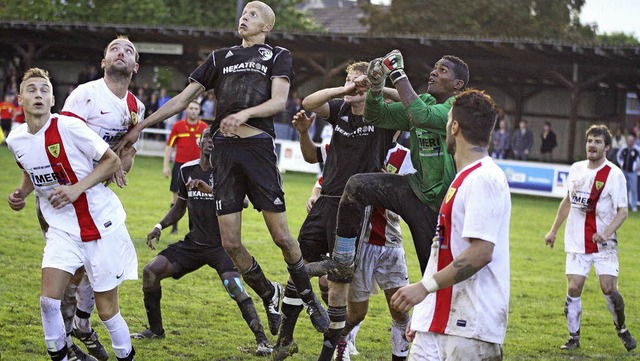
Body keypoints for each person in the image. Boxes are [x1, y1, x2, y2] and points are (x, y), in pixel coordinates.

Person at [116, 0, 329, 339]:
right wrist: (141, 126)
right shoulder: (219, 58)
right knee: (230, 243)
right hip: (225, 154)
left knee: (283, 237)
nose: (245, 17)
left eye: (253, 14)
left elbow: (279, 101)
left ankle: (309, 298)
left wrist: (244, 114)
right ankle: (270, 293)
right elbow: (182, 99)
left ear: (267, 27)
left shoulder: (277, 55)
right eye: (243, 13)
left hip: (257, 148)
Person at [313, 50, 467, 360]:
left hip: (441, 206)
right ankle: (343, 258)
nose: (434, 73)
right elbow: (376, 115)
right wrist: (376, 83)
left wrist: (396, 74)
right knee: (357, 185)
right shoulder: (419, 105)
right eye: (433, 67)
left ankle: (445, 341)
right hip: (415, 190)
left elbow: (423, 116)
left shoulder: (456, 108)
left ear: (458, 85)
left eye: (443, 70)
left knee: (434, 279)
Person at [6, 67, 137, 361]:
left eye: (44, 90)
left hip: (102, 225)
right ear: (20, 99)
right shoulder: (15, 140)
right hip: (62, 230)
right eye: (31, 89)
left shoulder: (68, 127)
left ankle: (126, 356)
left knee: (106, 311)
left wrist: (77, 189)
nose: (38, 94)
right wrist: (21, 194)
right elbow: (31, 171)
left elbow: (111, 160)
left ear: (53, 99)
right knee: (48, 302)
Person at [271, 61, 396, 360]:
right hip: (325, 200)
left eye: (360, 80)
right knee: (296, 265)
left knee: (339, 281)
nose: (355, 84)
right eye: (351, 79)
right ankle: (284, 341)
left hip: (353, 207)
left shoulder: (382, 116)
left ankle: (327, 356)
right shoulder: (340, 110)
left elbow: (406, 100)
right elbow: (310, 105)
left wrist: (374, 86)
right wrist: (306, 130)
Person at [390, 89, 511, 360]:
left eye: (447, 123)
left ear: (454, 126)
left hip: (471, 326)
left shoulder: (484, 178)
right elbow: (445, 250)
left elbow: (480, 253)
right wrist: (425, 313)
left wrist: (423, 288)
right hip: (436, 323)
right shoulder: (462, 178)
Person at [130, 128, 273, 355]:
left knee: (236, 289)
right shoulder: (187, 170)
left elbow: (243, 203)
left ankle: (262, 340)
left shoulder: (229, 171)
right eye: (207, 138)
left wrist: (211, 190)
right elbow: (179, 207)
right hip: (193, 245)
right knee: (150, 272)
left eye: (215, 139)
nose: (211, 142)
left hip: (222, 247)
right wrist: (159, 226)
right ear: (200, 141)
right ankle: (156, 331)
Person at [59, 35, 146, 361]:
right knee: (72, 271)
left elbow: (129, 149)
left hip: (97, 196)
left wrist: (120, 163)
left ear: (135, 67)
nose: (121, 53)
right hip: (68, 194)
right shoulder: (85, 95)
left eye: (128, 51)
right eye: (114, 49)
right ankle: (66, 341)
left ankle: (81, 325)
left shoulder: (136, 107)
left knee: (99, 269)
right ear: (103, 62)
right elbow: (62, 141)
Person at [545, 124, 636, 351]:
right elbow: (567, 200)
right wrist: (553, 230)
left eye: (597, 142)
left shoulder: (614, 175)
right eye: (589, 141)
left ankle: (622, 329)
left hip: (604, 245)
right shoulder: (576, 169)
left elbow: (623, 211)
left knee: (608, 288)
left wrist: (605, 233)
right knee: (574, 288)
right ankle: (573, 338)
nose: (592, 145)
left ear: (606, 147)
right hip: (577, 240)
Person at [163, 101, 208, 234]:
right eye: (191, 108)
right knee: (177, 197)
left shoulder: (204, 128)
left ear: (199, 111)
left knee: (199, 198)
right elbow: (169, 146)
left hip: (198, 167)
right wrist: (166, 165)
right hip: (180, 166)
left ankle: (197, 230)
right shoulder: (178, 126)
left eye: (196, 108)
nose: (193, 111)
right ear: (186, 110)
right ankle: (174, 227)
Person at [616, 134, 640, 212]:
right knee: (625, 189)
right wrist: (621, 164)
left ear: (634, 141)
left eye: (632, 141)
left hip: (633, 172)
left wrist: (637, 166)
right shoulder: (623, 148)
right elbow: (618, 156)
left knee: (633, 189)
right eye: (629, 141)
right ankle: (626, 205)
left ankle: (634, 206)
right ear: (627, 141)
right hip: (624, 171)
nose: (630, 142)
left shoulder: (637, 149)